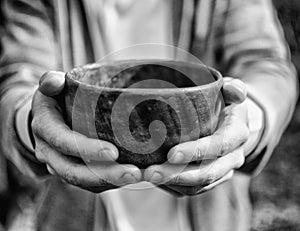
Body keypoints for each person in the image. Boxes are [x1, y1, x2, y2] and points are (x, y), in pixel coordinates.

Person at [0, 0, 298, 230]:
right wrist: (33, 122)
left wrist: (250, 118)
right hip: (74, 219)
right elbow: (17, 80)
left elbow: (266, 63)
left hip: (211, 218)